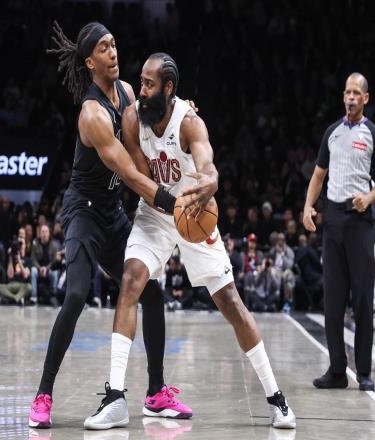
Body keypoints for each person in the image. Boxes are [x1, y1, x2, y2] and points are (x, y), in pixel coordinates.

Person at [84, 53, 296, 430]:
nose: (142, 90)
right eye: (141, 82)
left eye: (150, 84)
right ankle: (115, 398)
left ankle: (276, 398)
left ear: (168, 89)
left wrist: (211, 179)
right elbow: (141, 177)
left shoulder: (189, 122)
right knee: (131, 281)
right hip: (156, 211)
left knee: (230, 302)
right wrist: (167, 202)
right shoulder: (132, 119)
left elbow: (207, 161)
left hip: (194, 213)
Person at [29, 22, 194, 429]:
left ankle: (155, 393)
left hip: (112, 210)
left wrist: (182, 114)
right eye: (104, 48)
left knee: (151, 293)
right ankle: (43, 395)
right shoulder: (92, 114)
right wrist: (173, 203)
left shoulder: (127, 94)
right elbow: (131, 172)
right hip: (83, 212)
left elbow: (150, 135)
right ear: (90, 62)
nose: (113, 52)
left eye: (114, 44)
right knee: (76, 294)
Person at [303, 73, 375, 391]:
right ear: (343, 97)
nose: (351, 98)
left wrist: (368, 198)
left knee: (363, 297)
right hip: (333, 218)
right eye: (347, 92)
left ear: (365, 98)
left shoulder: (374, 134)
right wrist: (307, 206)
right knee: (333, 298)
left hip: (360, 220)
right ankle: (337, 370)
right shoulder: (332, 132)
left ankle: (364, 371)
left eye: (357, 93)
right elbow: (318, 175)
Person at [0, 237, 32, 305]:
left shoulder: (27, 260)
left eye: (22, 244)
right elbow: (10, 276)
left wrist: (19, 261)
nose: (20, 246)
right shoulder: (11, 258)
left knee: (29, 287)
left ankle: (10, 299)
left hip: (22, 286)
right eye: (19, 244)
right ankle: (16, 298)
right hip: (10, 285)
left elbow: (25, 276)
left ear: (25, 246)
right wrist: (10, 257)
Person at [30, 224, 59, 305]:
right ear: (40, 233)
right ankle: (34, 297)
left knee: (55, 272)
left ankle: (54, 295)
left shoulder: (53, 246)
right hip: (39, 269)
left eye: (46, 232)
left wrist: (47, 268)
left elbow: (54, 261)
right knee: (33, 271)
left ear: (49, 233)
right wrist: (40, 268)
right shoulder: (35, 244)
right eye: (42, 232)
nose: (44, 234)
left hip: (49, 269)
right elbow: (33, 259)